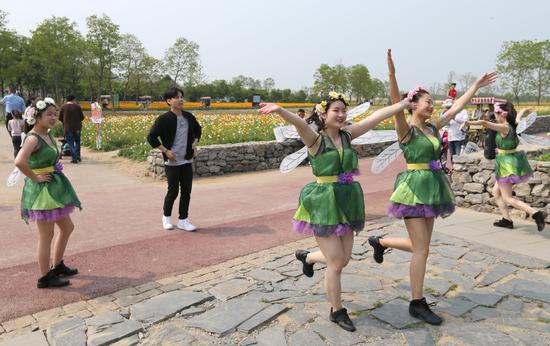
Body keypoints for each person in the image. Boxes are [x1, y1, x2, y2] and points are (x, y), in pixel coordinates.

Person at [259, 90, 411, 332]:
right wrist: (279, 110)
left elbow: (376, 117)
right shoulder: (315, 139)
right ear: (323, 113)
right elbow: (299, 123)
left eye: (343, 110)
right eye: (335, 110)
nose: (341, 114)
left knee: (343, 259)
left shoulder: (349, 135)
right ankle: (337, 310)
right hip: (322, 203)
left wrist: (403, 104)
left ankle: (307, 258)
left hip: (347, 201)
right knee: (336, 264)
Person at [367, 49, 497, 325]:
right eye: (427, 102)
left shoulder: (434, 128)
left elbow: (457, 108)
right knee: (422, 249)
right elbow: (395, 101)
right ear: (413, 105)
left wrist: (475, 85)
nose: (432, 106)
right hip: (413, 190)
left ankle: (380, 241)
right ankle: (417, 302)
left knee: (421, 246)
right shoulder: (406, 130)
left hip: (434, 188)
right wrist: (392, 75)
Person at [14, 97, 81, 288]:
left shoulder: (48, 134)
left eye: (55, 114)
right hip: (41, 192)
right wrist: (36, 177)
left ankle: (57, 265)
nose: (53, 118)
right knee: (46, 235)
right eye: (49, 114)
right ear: (37, 116)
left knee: (67, 228)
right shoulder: (33, 138)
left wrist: (54, 166)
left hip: (53, 188)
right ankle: (45, 277)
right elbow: (19, 162)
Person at [462, 103, 547, 231]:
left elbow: (485, 124)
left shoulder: (504, 127)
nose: (494, 116)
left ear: (502, 114)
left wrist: (468, 123)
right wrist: (523, 110)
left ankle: (536, 213)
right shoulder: (514, 125)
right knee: (495, 192)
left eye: (496, 113)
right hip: (509, 161)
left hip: (506, 165)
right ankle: (506, 219)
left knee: (507, 197)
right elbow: (517, 118)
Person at [147, 88, 202, 232]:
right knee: (173, 191)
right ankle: (166, 217)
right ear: (169, 101)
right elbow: (151, 137)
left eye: (182, 97)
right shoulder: (164, 119)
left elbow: (198, 130)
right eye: (177, 97)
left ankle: (183, 220)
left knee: (186, 192)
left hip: (186, 160)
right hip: (172, 162)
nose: (181, 99)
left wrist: (195, 143)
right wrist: (166, 151)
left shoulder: (189, 117)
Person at [59, 94, 85, 163]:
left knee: (70, 143)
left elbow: (60, 118)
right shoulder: (77, 106)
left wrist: (65, 122)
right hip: (77, 128)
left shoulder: (63, 107)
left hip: (67, 128)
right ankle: (78, 156)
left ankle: (74, 158)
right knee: (77, 142)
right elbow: (82, 117)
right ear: (73, 99)